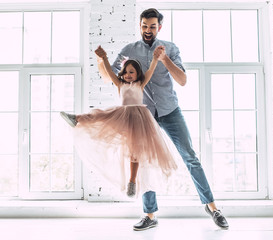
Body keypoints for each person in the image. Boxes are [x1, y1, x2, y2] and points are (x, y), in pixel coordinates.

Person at [95, 8, 229, 231]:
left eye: (153, 26)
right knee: (144, 161)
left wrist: (164, 58)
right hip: (144, 115)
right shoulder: (129, 50)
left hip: (170, 111)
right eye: (145, 26)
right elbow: (107, 75)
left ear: (160, 27)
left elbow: (183, 80)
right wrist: (102, 60)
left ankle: (213, 207)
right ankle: (150, 214)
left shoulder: (171, 48)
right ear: (140, 25)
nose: (148, 30)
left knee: (190, 157)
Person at [60, 45, 177, 198]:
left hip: (139, 118)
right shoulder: (120, 84)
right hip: (123, 115)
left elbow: (150, 71)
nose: (128, 75)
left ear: (137, 74)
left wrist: (155, 58)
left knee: (135, 151)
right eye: (126, 72)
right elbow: (109, 71)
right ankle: (77, 119)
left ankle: (132, 182)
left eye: (131, 72)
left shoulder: (140, 84)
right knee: (101, 116)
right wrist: (104, 58)